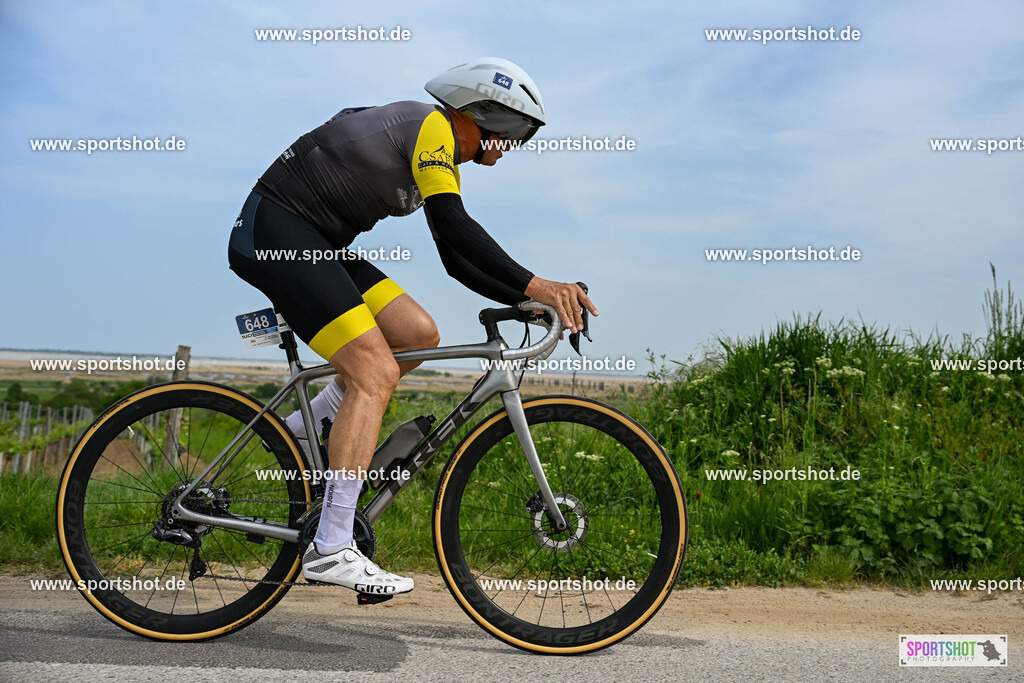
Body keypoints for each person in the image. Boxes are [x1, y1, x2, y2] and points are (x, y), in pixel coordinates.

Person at [228, 57, 598, 596]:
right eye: (514, 128)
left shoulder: (438, 153)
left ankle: (301, 429)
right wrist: (540, 286)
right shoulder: (432, 127)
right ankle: (331, 547)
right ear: (478, 112)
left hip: (317, 243)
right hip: (277, 231)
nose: (512, 145)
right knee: (374, 373)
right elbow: (455, 226)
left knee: (417, 335)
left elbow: (453, 257)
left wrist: (523, 299)